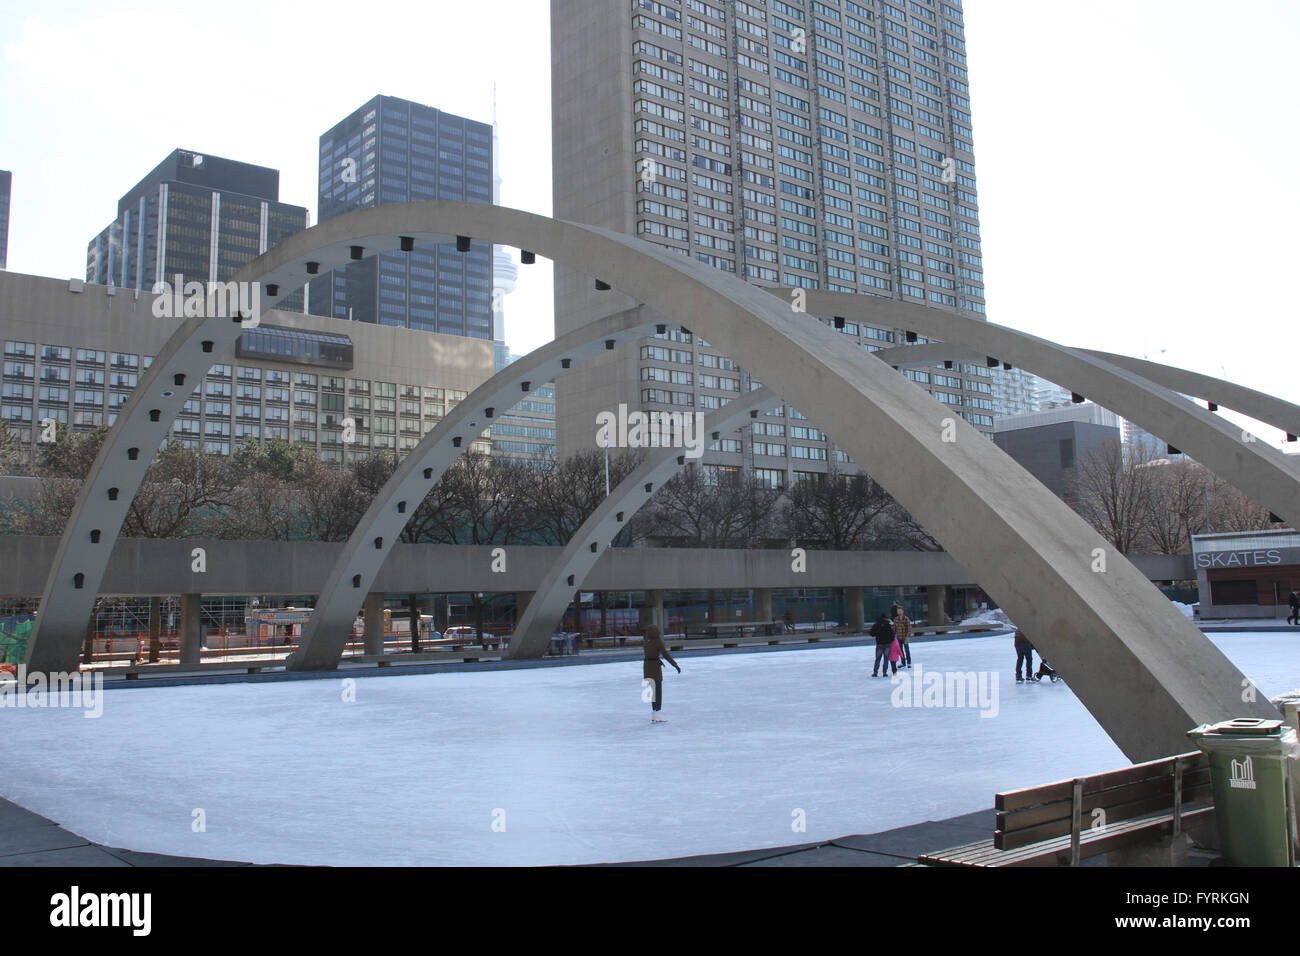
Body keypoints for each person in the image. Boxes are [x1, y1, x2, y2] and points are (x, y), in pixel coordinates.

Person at [642, 624, 680, 722]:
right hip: (655, 668)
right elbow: (665, 654)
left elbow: (651, 653)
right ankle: (657, 713)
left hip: (646, 667)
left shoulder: (646, 641)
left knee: (653, 691)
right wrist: (675, 665)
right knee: (658, 691)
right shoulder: (657, 641)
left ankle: (654, 714)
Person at [870, 612, 896, 677]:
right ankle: (884, 672)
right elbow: (892, 634)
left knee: (878, 658)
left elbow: (872, 633)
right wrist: (890, 640)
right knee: (886, 659)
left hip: (879, 643)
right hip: (887, 644)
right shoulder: (888, 625)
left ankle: (875, 672)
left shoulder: (876, 624)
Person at [891, 603, 913, 668]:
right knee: (900, 650)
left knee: (907, 650)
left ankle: (909, 662)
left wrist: (907, 636)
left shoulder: (906, 619)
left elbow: (909, 628)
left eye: (900, 611)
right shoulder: (895, 619)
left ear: (903, 612)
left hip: (905, 636)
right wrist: (893, 636)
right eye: (898, 611)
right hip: (898, 637)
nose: (899, 612)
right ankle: (903, 662)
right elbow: (894, 628)